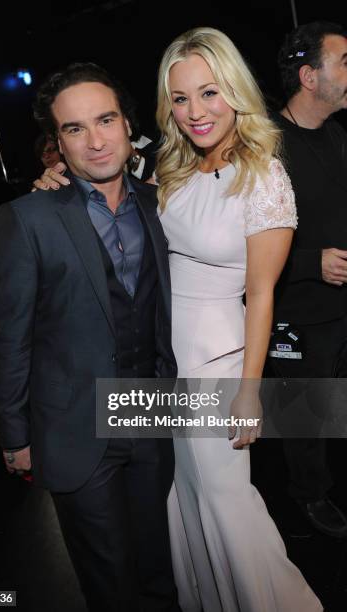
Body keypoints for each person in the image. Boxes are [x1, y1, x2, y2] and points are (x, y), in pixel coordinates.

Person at [35, 28, 322, 612]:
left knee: (226, 501)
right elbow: (110, 195)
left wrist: (251, 391)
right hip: (165, 366)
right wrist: (54, 180)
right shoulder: (173, 171)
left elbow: (263, 295)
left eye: (209, 93)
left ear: (235, 92)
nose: (195, 111)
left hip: (220, 366)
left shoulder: (263, 176)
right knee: (182, 498)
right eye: (181, 98)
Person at [0, 62, 181, 612]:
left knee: (159, 568)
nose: (95, 141)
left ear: (127, 124)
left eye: (106, 120)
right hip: (75, 426)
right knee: (109, 583)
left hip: (151, 413)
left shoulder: (160, 203)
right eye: (74, 129)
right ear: (57, 144)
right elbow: (7, 336)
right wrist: (14, 436)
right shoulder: (28, 218)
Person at [267, 21, 347, 537]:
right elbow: (238, 244)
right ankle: (308, 495)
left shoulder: (338, 134)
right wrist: (309, 263)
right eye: (344, 62)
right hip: (297, 314)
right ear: (309, 77)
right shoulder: (268, 147)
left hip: (342, 308)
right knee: (305, 416)